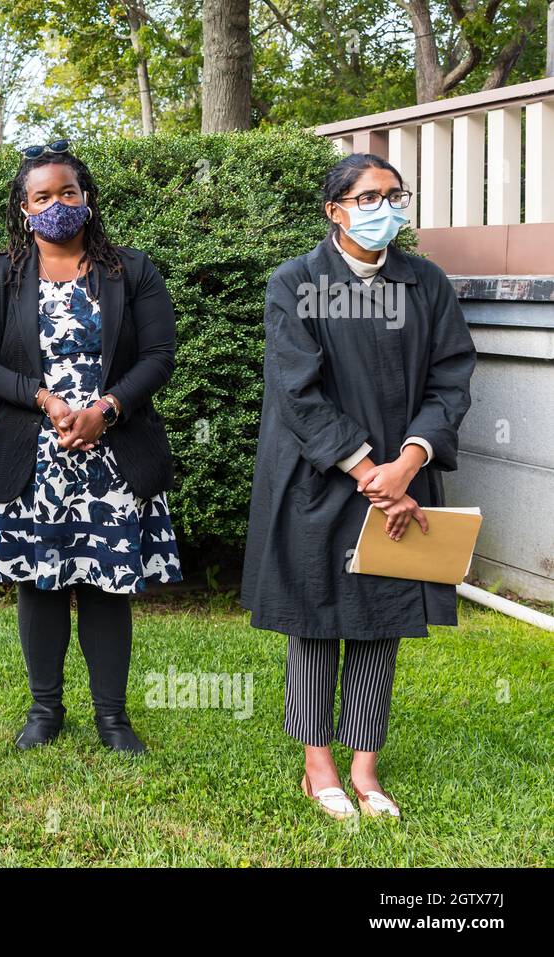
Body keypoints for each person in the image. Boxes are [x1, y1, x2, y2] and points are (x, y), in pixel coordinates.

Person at [241, 153, 477, 821]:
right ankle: (319, 768)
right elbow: (296, 388)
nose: (387, 208)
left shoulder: (425, 284)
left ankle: (366, 768)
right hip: (318, 477)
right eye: (370, 196)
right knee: (315, 617)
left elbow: (451, 376)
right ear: (335, 210)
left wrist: (408, 461)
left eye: (395, 195)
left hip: (402, 477)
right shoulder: (295, 283)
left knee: (383, 618)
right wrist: (367, 468)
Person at [0, 141, 182, 755]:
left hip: (112, 451)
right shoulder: (1, 275)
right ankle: (44, 711)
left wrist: (105, 410)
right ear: (23, 208)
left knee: (109, 585)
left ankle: (113, 717)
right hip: (32, 454)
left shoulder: (129, 271)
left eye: (67, 193)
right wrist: (46, 401)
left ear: (86, 199)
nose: (56, 204)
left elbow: (160, 356)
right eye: (41, 196)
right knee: (41, 582)